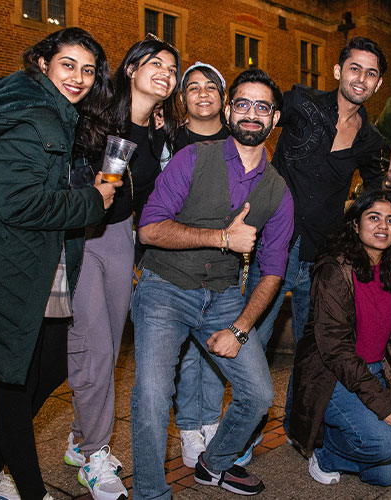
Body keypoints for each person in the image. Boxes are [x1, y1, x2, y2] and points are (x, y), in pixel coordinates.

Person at [0, 28, 118, 500]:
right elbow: (21, 204)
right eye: (68, 65)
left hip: (37, 263)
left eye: (88, 70)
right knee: (14, 383)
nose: (79, 78)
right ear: (42, 63)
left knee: (50, 366)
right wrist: (94, 200)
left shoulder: (55, 113)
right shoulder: (34, 117)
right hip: (8, 268)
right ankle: (32, 492)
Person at [130, 68, 294, 498]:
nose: (252, 114)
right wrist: (223, 238)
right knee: (151, 400)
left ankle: (213, 464)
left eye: (263, 107)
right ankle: (150, 493)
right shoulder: (193, 159)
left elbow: (274, 271)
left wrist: (240, 328)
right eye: (242, 104)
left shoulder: (278, 191)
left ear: (275, 118)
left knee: (259, 396)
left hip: (222, 297)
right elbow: (148, 230)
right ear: (227, 109)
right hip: (164, 287)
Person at [243, 36, 391, 437]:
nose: (361, 78)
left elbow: (371, 195)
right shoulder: (300, 102)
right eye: (355, 68)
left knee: (309, 349)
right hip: (274, 242)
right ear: (338, 71)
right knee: (251, 339)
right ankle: (243, 430)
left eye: (371, 74)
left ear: (378, 83)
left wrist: (390, 180)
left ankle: (302, 434)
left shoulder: (370, 140)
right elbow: (255, 120)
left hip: (321, 255)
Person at [63, 35, 181, 500]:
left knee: (109, 352)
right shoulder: (94, 114)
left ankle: (78, 437)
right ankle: (94, 453)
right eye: (157, 63)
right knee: (91, 346)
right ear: (131, 68)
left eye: (172, 69)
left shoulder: (158, 132)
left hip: (118, 238)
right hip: (79, 236)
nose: (167, 74)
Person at [288, 191, 391, 487]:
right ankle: (325, 452)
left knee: (387, 474)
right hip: (333, 376)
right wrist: (384, 404)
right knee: (385, 444)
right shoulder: (335, 269)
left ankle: (341, 434)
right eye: (373, 218)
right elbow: (335, 349)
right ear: (355, 226)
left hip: (373, 372)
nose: (383, 226)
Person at [154, 60, 240, 468]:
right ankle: (190, 427)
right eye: (193, 87)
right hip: (176, 260)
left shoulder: (239, 140)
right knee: (186, 352)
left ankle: (210, 424)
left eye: (211, 86)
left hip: (225, 263)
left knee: (216, 349)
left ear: (223, 99)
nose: (203, 93)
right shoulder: (167, 140)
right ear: (181, 98)